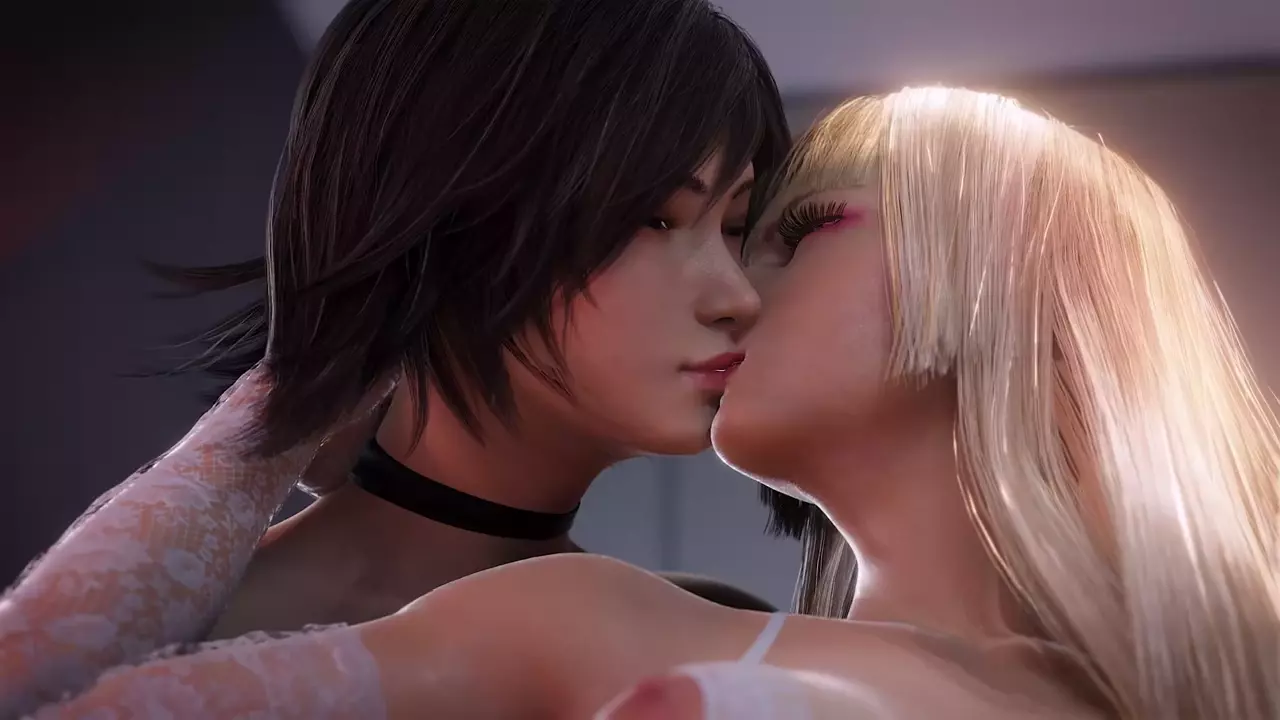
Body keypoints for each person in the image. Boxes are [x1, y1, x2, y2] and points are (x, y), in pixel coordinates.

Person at [35, 85, 1279, 719]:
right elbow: (39, 694)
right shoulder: (584, 621)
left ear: (1013, 264)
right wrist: (298, 390)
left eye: (796, 228)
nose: (730, 292)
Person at [0, 0, 787, 713]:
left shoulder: (722, 645)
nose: (737, 295)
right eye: (655, 218)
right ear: (453, 209)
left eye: (735, 227)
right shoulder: (160, 646)